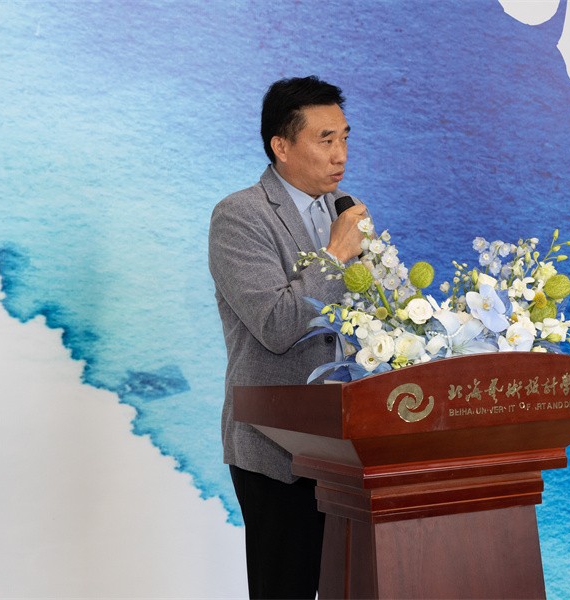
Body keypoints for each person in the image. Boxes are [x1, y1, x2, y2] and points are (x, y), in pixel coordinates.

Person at [208, 76, 367, 599]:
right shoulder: (241, 215)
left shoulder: (343, 211)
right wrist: (336, 256)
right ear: (281, 145)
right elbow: (276, 325)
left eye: (344, 137)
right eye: (325, 140)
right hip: (279, 448)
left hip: (351, 443)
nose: (340, 154)